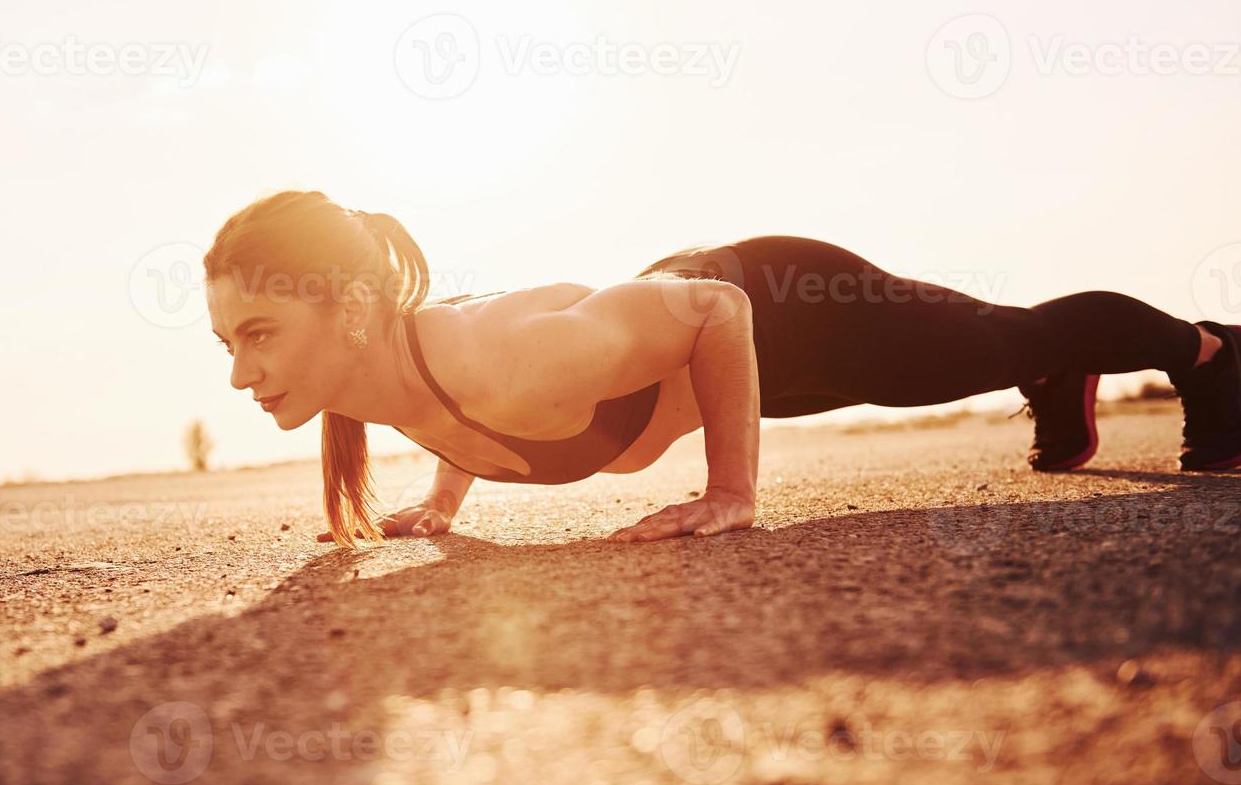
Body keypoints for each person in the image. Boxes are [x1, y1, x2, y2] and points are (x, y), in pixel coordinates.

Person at [202, 190, 1241, 547]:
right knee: (998, 350)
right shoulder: (379, 376)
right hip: (724, 361)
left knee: (1004, 336)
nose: (243, 372)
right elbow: (448, 409)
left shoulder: (508, 357)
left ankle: (1212, 354)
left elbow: (718, 310)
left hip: (775, 302)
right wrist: (440, 501)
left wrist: (733, 490)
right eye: (228, 341)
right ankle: (1052, 378)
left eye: (258, 333)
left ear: (346, 313)